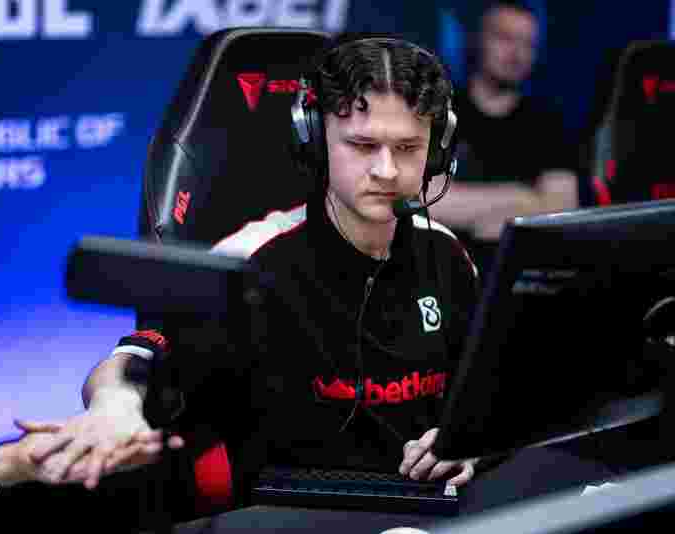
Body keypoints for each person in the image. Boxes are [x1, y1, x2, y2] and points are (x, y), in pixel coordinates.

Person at [27, 34, 484, 516]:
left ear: (437, 151)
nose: (387, 170)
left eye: (409, 147)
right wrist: (114, 407)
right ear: (315, 140)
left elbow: (482, 398)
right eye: (362, 145)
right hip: (288, 518)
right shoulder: (250, 264)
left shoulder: (448, 257)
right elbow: (132, 361)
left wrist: (465, 445)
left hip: (427, 512)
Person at [431, 0, 579, 277]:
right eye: (504, 38)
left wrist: (467, 209)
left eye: (528, 44)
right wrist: (526, 198)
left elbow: (561, 212)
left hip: (519, 275)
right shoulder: (439, 113)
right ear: (476, 39)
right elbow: (427, 203)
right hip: (441, 270)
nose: (517, 53)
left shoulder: (549, 124)